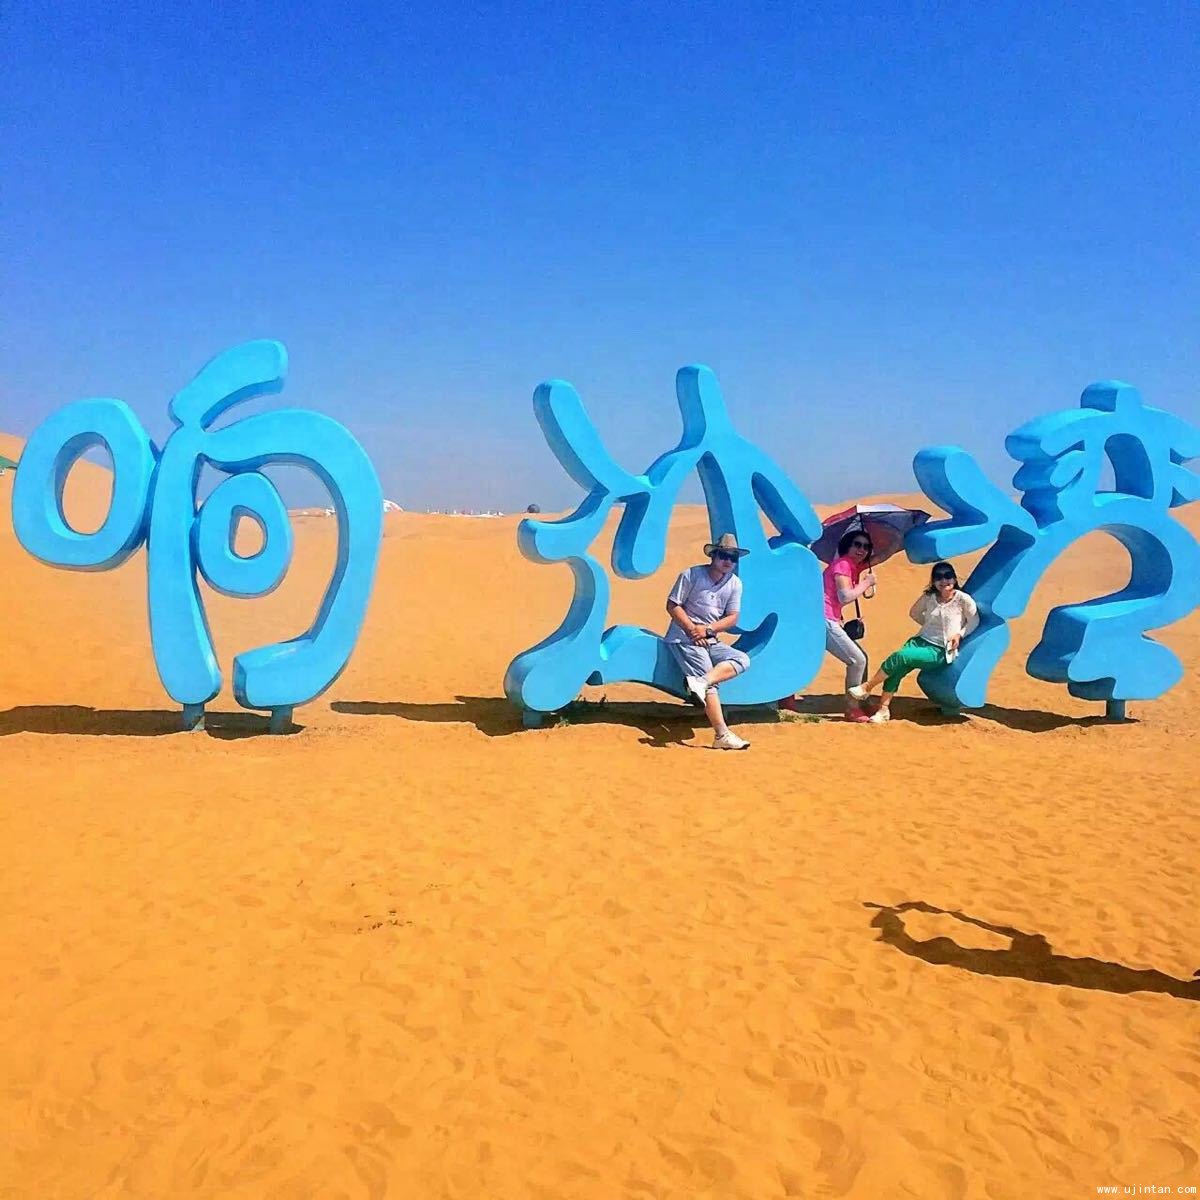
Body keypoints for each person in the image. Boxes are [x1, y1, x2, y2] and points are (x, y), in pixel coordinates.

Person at [850, 561, 979, 723]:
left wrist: (959, 634)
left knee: (901, 656)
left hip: (940, 650)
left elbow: (974, 621)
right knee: (897, 669)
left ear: (954, 578)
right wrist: (929, 625)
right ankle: (883, 709)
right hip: (920, 641)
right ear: (933, 581)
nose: (944, 581)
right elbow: (915, 613)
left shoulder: (963, 599)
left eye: (948, 576)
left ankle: (867, 687)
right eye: (938, 577)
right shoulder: (929, 597)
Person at [665, 533, 752, 750]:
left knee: (742, 660)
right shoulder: (692, 575)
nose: (728, 561)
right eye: (724, 555)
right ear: (713, 555)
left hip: (710, 639)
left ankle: (701, 682)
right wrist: (692, 630)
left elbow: (733, 617)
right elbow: (673, 605)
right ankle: (722, 734)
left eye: (733, 557)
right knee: (710, 681)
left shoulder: (735, 583)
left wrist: (708, 630)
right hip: (684, 638)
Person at [811, 530, 877, 721]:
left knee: (862, 657)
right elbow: (845, 596)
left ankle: (862, 701)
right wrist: (866, 583)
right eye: (857, 544)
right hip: (824, 620)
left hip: (830, 619)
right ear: (847, 546)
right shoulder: (843, 564)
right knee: (857, 661)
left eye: (866, 546)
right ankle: (852, 708)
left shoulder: (850, 567)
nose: (862, 549)